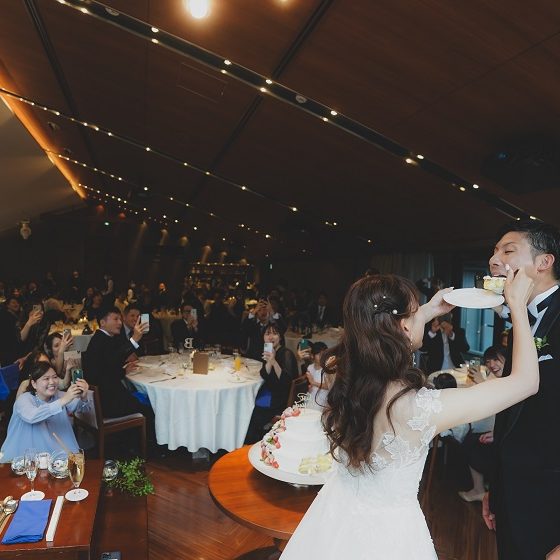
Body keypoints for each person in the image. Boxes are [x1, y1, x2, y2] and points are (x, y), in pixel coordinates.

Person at [280, 270, 538, 559]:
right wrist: (517, 307)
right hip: (389, 536)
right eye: (416, 313)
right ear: (403, 325)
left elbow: (382, 326)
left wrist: (425, 311)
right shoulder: (419, 409)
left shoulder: (343, 375)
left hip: (336, 512)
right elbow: (526, 382)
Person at [483, 220, 560, 560]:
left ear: (544, 262)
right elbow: (512, 411)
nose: (494, 260)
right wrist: (495, 486)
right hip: (512, 489)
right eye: (494, 252)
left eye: (508, 251)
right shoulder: (521, 317)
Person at [0, 361, 89, 462]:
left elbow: (82, 409)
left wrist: (83, 397)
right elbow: (32, 416)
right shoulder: (24, 399)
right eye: (46, 378)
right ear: (34, 384)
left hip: (58, 451)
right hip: (27, 454)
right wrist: (64, 400)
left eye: (55, 377)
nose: (52, 382)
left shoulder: (58, 395)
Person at [458, 346, 506, 503]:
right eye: (488, 361)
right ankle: (484, 485)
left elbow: (497, 401)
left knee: (470, 442)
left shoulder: (511, 379)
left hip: (505, 435)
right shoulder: (494, 376)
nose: (492, 364)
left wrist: (481, 382)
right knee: (470, 438)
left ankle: (479, 490)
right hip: (495, 429)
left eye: (496, 360)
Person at [82, 307, 149, 419]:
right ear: (102, 323)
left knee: (143, 399)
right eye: (115, 319)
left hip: (106, 396)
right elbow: (114, 359)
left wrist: (123, 370)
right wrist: (134, 339)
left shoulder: (103, 338)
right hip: (109, 402)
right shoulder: (101, 340)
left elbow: (107, 367)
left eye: (120, 319)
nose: (120, 323)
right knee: (151, 407)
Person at [244, 324, 299, 444]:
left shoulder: (286, 353)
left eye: (275, 333)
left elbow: (286, 382)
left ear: (280, 337)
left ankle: (252, 443)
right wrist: (269, 361)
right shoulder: (271, 352)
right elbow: (264, 374)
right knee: (246, 400)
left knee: (248, 408)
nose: (271, 337)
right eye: (267, 334)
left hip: (278, 398)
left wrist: (273, 362)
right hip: (271, 393)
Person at [305, 341, 329, 410]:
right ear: (312, 355)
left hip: (323, 398)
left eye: (324, 354)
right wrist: (309, 387)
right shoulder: (310, 367)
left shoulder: (327, 368)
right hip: (311, 395)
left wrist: (313, 383)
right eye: (319, 354)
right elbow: (309, 385)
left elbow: (328, 386)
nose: (322, 357)